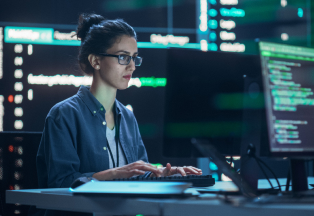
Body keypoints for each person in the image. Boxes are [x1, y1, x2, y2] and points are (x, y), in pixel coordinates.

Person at [36, 13, 202, 193]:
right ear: (96, 61)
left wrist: (159, 174)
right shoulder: (64, 114)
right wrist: (114, 174)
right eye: (123, 57)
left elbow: (136, 174)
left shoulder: (128, 117)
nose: (132, 66)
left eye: (134, 57)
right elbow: (60, 183)